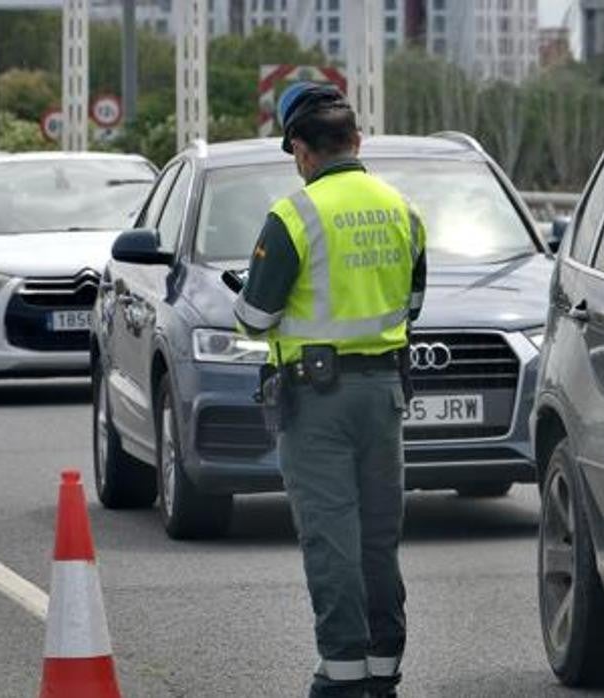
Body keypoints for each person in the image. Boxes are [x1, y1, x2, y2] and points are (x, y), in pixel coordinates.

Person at [234, 82, 427, 698]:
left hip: (317, 401)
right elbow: (412, 303)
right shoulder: (402, 209)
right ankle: (382, 670)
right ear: (357, 141)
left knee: (331, 537)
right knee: (378, 537)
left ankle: (341, 676)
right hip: (385, 396)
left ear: (302, 148)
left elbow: (255, 318)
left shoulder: (294, 215)